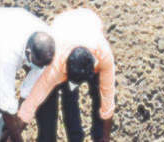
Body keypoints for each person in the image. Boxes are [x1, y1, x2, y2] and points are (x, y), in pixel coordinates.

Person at [17, 8, 115, 142]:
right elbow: (32, 102)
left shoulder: (104, 56)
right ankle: (75, 138)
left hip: (89, 20)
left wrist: (105, 137)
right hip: (62, 26)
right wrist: (13, 135)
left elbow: (108, 102)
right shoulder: (55, 66)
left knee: (98, 94)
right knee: (68, 96)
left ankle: (97, 137)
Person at [0, 7, 57, 142]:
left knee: (37, 93)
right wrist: (16, 137)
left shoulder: (48, 47)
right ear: (28, 53)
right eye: (37, 64)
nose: (39, 67)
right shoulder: (10, 53)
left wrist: (18, 125)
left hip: (15, 24)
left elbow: (29, 93)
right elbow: (6, 103)